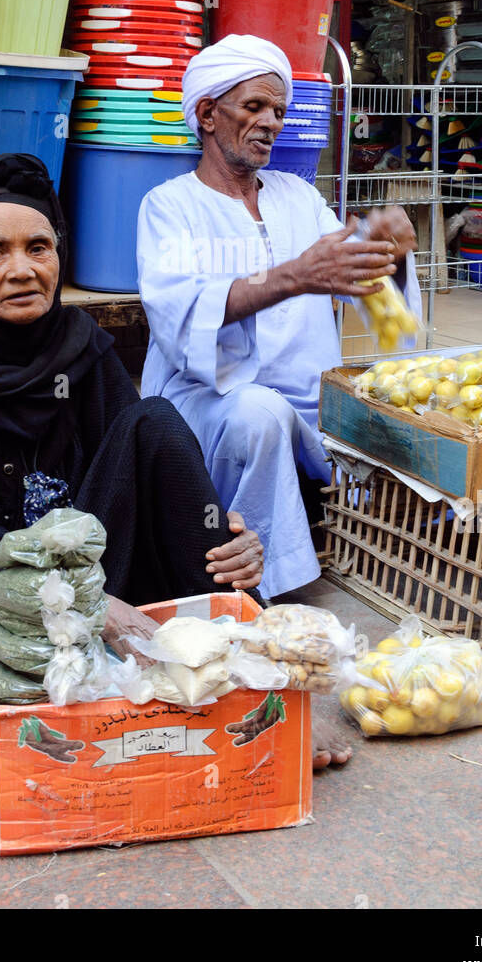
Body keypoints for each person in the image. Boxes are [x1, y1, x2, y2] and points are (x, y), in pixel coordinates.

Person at [0, 152, 263, 721]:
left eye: (38, 247)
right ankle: (99, 673)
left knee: (156, 421)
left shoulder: (84, 349)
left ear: (58, 254)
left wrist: (220, 534)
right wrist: (90, 604)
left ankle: (251, 682)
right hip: (0, 586)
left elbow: (138, 477)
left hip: (98, 572)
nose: (22, 269)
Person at [137, 34, 421, 602]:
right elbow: (180, 313)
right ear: (207, 113)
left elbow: (364, 288)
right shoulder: (169, 206)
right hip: (210, 404)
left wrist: (389, 253)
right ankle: (259, 584)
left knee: (415, 400)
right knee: (258, 412)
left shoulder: (298, 196)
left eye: (279, 111)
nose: (271, 122)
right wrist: (295, 275)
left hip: (312, 406)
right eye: (254, 107)